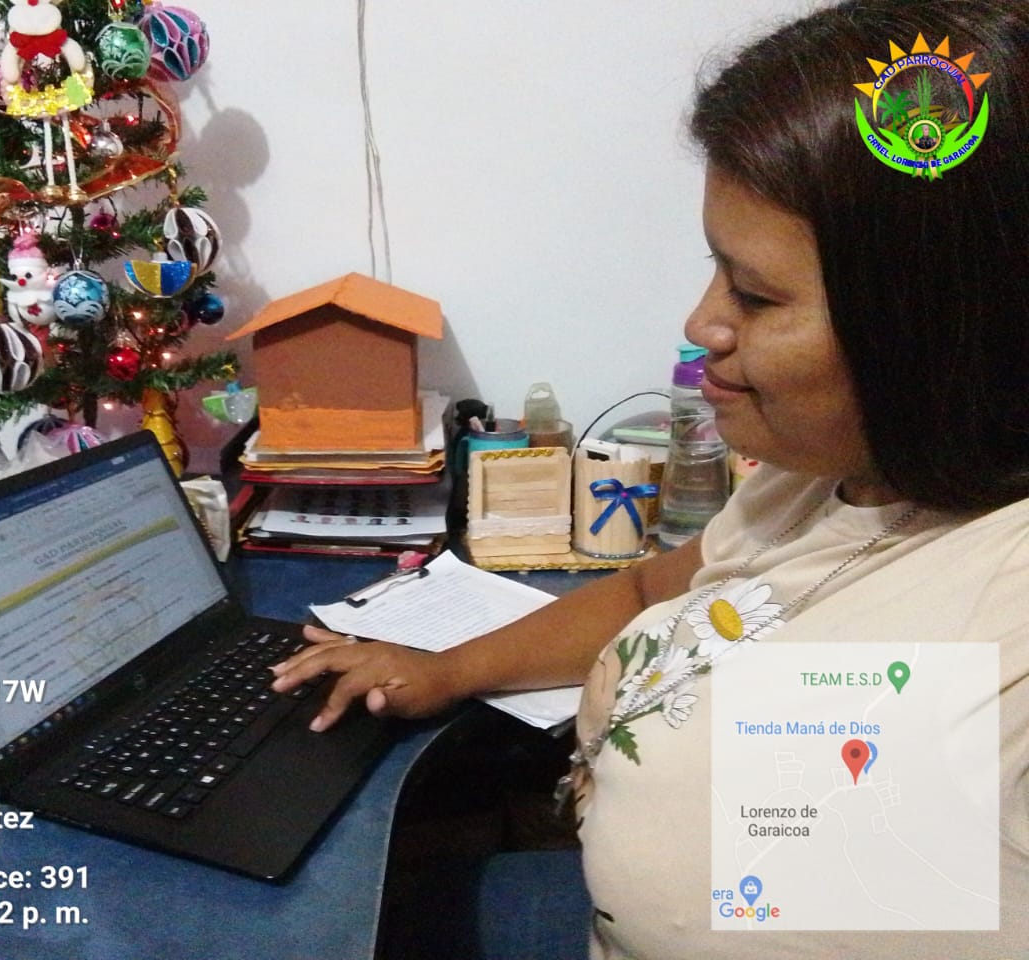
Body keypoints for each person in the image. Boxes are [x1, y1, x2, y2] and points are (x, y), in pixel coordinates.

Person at [271, 1, 1029, 956]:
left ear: (944, 325)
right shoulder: (824, 478)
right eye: (720, 271)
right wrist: (444, 668)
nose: (702, 323)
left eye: (756, 296)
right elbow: (645, 588)